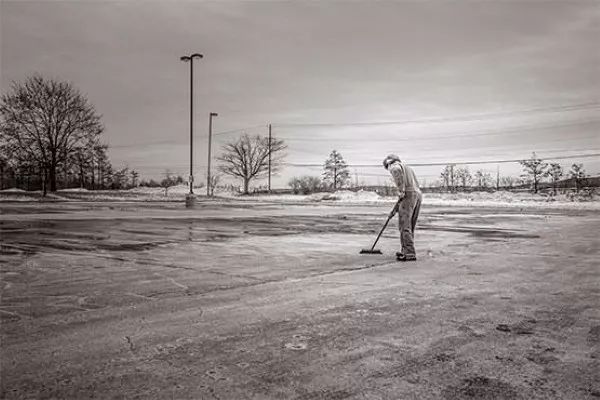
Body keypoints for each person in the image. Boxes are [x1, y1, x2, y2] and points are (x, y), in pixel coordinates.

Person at [383, 154, 422, 261]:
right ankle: (406, 250)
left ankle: (409, 253)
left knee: (404, 225)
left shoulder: (394, 166)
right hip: (417, 194)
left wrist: (401, 190)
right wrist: (395, 210)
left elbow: (397, 173)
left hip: (409, 194)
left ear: (388, 163)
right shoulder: (407, 167)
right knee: (410, 225)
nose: (389, 170)